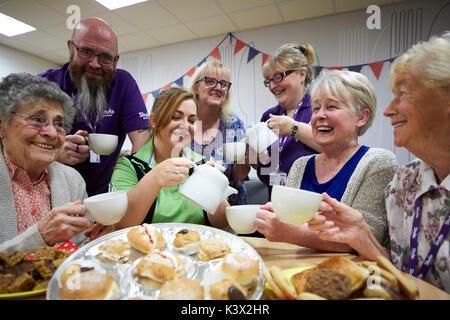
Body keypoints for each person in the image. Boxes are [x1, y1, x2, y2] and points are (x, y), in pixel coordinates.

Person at [308, 34, 450, 292]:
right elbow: (402, 276)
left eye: (403, 94)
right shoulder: (405, 182)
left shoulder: (382, 165)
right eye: (316, 108)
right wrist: (363, 237)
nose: (387, 110)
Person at [255, 69, 398, 253]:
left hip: (347, 278)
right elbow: (286, 222)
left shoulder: (379, 162)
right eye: (316, 108)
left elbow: (367, 238)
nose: (319, 116)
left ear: (361, 117)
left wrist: (290, 232)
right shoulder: (300, 166)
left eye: (331, 107)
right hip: (294, 271)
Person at [39, 17, 150, 197]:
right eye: (86, 51)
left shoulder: (123, 83)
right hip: (51, 197)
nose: (95, 64)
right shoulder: (42, 86)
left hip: (104, 197)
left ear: (116, 60)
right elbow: (15, 146)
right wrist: (53, 152)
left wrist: (129, 184)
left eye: (106, 57)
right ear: (70, 47)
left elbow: (143, 140)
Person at [108, 87, 229, 230]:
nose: (185, 126)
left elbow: (222, 224)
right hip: (150, 250)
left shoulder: (202, 165)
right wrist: (155, 178)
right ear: (154, 120)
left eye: (191, 120)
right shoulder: (129, 167)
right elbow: (121, 224)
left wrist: (214, 186)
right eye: (175, 117)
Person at [0, 73, 93, 255]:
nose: (51, 132)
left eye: (59, 124)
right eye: (37, 120)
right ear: (2, 125)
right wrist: (39, 236)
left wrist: (94, 241)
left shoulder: (72, 180)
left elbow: (81, 245)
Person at [257, 43, 321, 200]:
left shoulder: (319, 110)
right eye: (268, 81)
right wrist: (258, 158)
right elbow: (268, 176)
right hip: (277, 204)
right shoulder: (269, 116)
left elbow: (336, 149)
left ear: (301, 74)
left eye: (278, 77)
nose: (272, 86)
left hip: (312, 205)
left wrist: (294, 128)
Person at [190, 61, 249, 206]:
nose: (218, 88)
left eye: (223, 84)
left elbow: (239, 175)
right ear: (196, 87)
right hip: (190, 206)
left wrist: (247, 157)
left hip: (230, 207)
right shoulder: (184, 123)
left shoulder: (234, 124)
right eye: (210, 81)